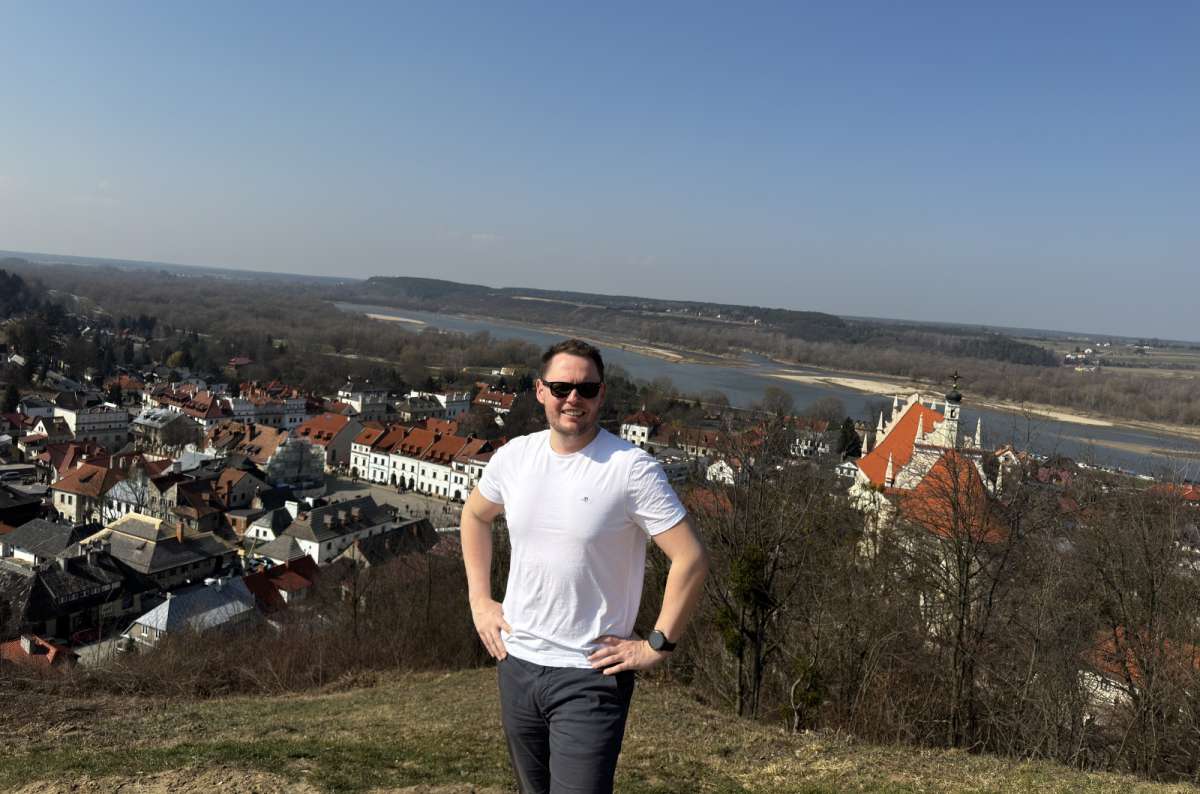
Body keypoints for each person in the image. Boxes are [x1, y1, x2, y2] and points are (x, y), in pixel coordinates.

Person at [461, 338, 708, 794]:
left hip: (590, 675)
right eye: (560, 387)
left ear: (602, 394)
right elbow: (474, 515)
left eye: (586, 389)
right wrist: (480, 600)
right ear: (540, 391)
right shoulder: (515, 457)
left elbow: (690, 557)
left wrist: (656, 645)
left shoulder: (631, 469)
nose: (573, 398)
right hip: (517, 663)